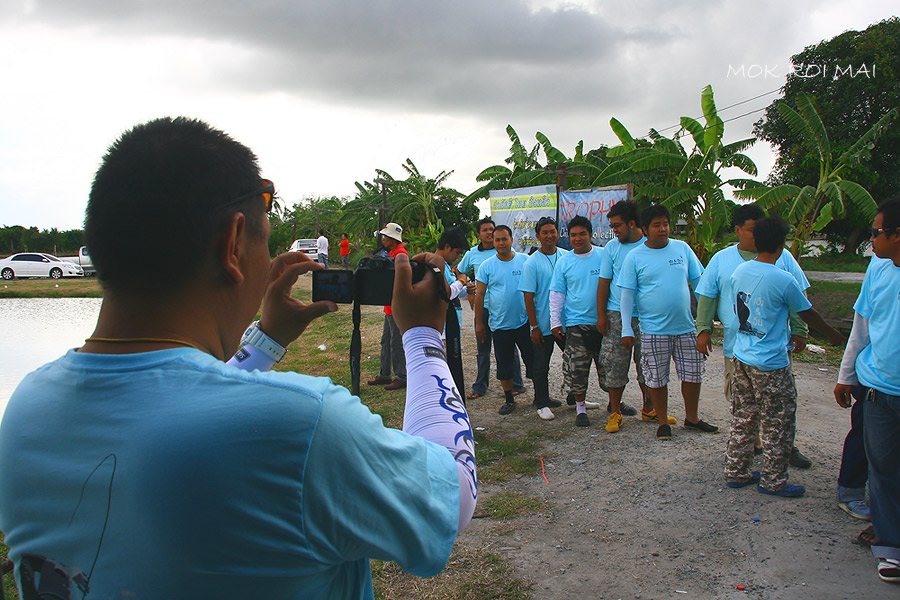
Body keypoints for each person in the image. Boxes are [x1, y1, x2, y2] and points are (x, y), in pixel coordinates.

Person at [0, 117, 476, 600]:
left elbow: (168, 413)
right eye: (264, 241)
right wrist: (422, 339)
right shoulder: (300, 426)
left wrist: (264, 342)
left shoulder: (27, 410)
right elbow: (452, 496)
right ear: (233, 243)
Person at [723, 216, 844, 498]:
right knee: (778, 422)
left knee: (743, 416)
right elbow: (807, 313)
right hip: (771, 364)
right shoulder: (783, 278)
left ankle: (737, 471)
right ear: (781, 245)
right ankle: (774, 480)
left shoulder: (740, 271)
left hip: (742, 356)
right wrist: (831, 333)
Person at [695, 203, 814, 469]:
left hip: (775, 350)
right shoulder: (722, 259)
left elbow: (798, 299)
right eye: (751, 230)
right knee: (743, 405)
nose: (757, 235)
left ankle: (784, 447)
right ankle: (754, 449)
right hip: (737, 348)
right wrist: (703, 330)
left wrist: (800, 330)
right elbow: (707, 296)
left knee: (778, 404)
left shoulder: (782, 257)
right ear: (738, 230)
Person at [834, 198, 900, 584]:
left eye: (876, 233)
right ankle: (890, 546)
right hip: (877, 388)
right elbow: (862, 326)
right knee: (884, 470)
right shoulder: (878, 269)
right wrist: (846, 375)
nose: (871, 240)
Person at [618, 204, 716, 440]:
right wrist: (625, 328)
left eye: (665, 224)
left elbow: (700, 286)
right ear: (645, 228)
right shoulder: (634, 257)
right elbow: (627, 295)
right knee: (657, 377)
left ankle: (692, 418)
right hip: (653, 330)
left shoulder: (682, 249)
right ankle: (662, 421)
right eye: (656, 225)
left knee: (693, 374)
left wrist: (705, 323)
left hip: (686, 328)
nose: (662, 229)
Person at [596, 200, 655, 433]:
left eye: (618, 225)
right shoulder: (612, 248)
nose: (614, 230)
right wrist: (601, 315)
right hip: (617, 315)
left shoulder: (650, 246)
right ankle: (615, 412)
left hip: (648, 316)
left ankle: (649, 408)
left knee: (648, 364)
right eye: (612, 226)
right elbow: (604, 282)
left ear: (632, 223)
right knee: (614, 364)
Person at [456, 217, 525, 400]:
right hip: (484, 308)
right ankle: (480, 385)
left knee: (510, 348)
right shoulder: (472, 254)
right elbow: (460, 270)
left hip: (505, 309)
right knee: (483, 348)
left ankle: (517, 384)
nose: (489, 232)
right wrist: (468, 286)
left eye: (491, 229)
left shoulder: (507, 252)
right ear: (478, 235)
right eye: (485, 230)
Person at [550, 216, 606, 428]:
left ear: (591, 235)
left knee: (609, 371)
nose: (578, 238)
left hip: (603, 323)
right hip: (576, 324)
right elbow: (557, 293)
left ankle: (615, 405)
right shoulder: (564, 261)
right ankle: (580, 408)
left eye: (582, 234)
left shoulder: (604, 256)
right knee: (577, 370)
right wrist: (555, 322)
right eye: (573, 235)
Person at [475, 225, 534, 415]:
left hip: (524, 322)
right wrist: (478, 323)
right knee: (504, 364)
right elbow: (480, 294)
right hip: (499, 325)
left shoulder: (525, 261)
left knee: (533, 361)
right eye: (497, 239)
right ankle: (509, 399)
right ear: (493, 241)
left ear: (511, 240)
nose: (501, 243)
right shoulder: (487, 266)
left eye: (504, 239)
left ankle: (541, 396)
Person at [519, 217, 568, 420]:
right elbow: (528, 296)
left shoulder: (567, 256)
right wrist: (534, 326)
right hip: (543, 325)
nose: (549, 235)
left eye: (553, 231)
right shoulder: (532, 263)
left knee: (574, 361)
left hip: (566, 323)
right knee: (541, 366)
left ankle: (575, 397)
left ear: (558, 233)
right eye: (545, 233)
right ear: (538, 236)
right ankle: (541, 402)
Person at [368, 222, 408, 390]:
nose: (383, 239)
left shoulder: (400, 255)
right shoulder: (392, 253)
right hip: (389, 305)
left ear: (392, 238)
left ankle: (402, 376)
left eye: (385, 236)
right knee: (386, 341)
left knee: (396, 342)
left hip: (396, 306)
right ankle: (385, 374)